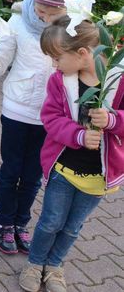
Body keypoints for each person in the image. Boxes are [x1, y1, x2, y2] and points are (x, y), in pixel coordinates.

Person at [19, 16, 124, 292]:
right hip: (64, 168)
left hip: (98, 176)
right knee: (51, 220)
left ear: (82, 53)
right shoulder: (60, 81)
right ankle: (35, 262)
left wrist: (113, 121)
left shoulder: (118, 80)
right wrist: (78, 134)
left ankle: (54, 264)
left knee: (72, 226)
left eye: (57, 58)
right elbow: (51, 118)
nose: (54, 65)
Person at [0, 0, 76, 256]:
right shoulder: (18, 22)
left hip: (50, 117)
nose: (45, 18)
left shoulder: (74, 28)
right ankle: (5, 223)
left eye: (52, 13)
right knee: (11, 170)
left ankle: (22, 223)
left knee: (34, 174)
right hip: (17, 109)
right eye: (43, 10)